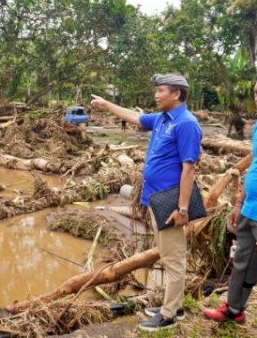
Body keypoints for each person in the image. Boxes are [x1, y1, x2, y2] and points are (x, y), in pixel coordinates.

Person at [91, 74, 203, 332]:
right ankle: (176, 305)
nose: (156, 94)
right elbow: (134, 117)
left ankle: (168, 315)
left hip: (170, 201)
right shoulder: (163, 119)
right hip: (155, 198)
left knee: (174, 258)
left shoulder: (186, 123)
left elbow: (189, 169)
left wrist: (183, 208)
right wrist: (107, 104)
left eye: (161, 90)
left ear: (176, 94)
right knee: (167, 253)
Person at [204, 70, 257, 338]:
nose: (256, 98)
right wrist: (239, 201)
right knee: (242, 262)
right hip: (249, 208)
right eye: (255, 92)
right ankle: (234, 309)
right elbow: (256, 166)